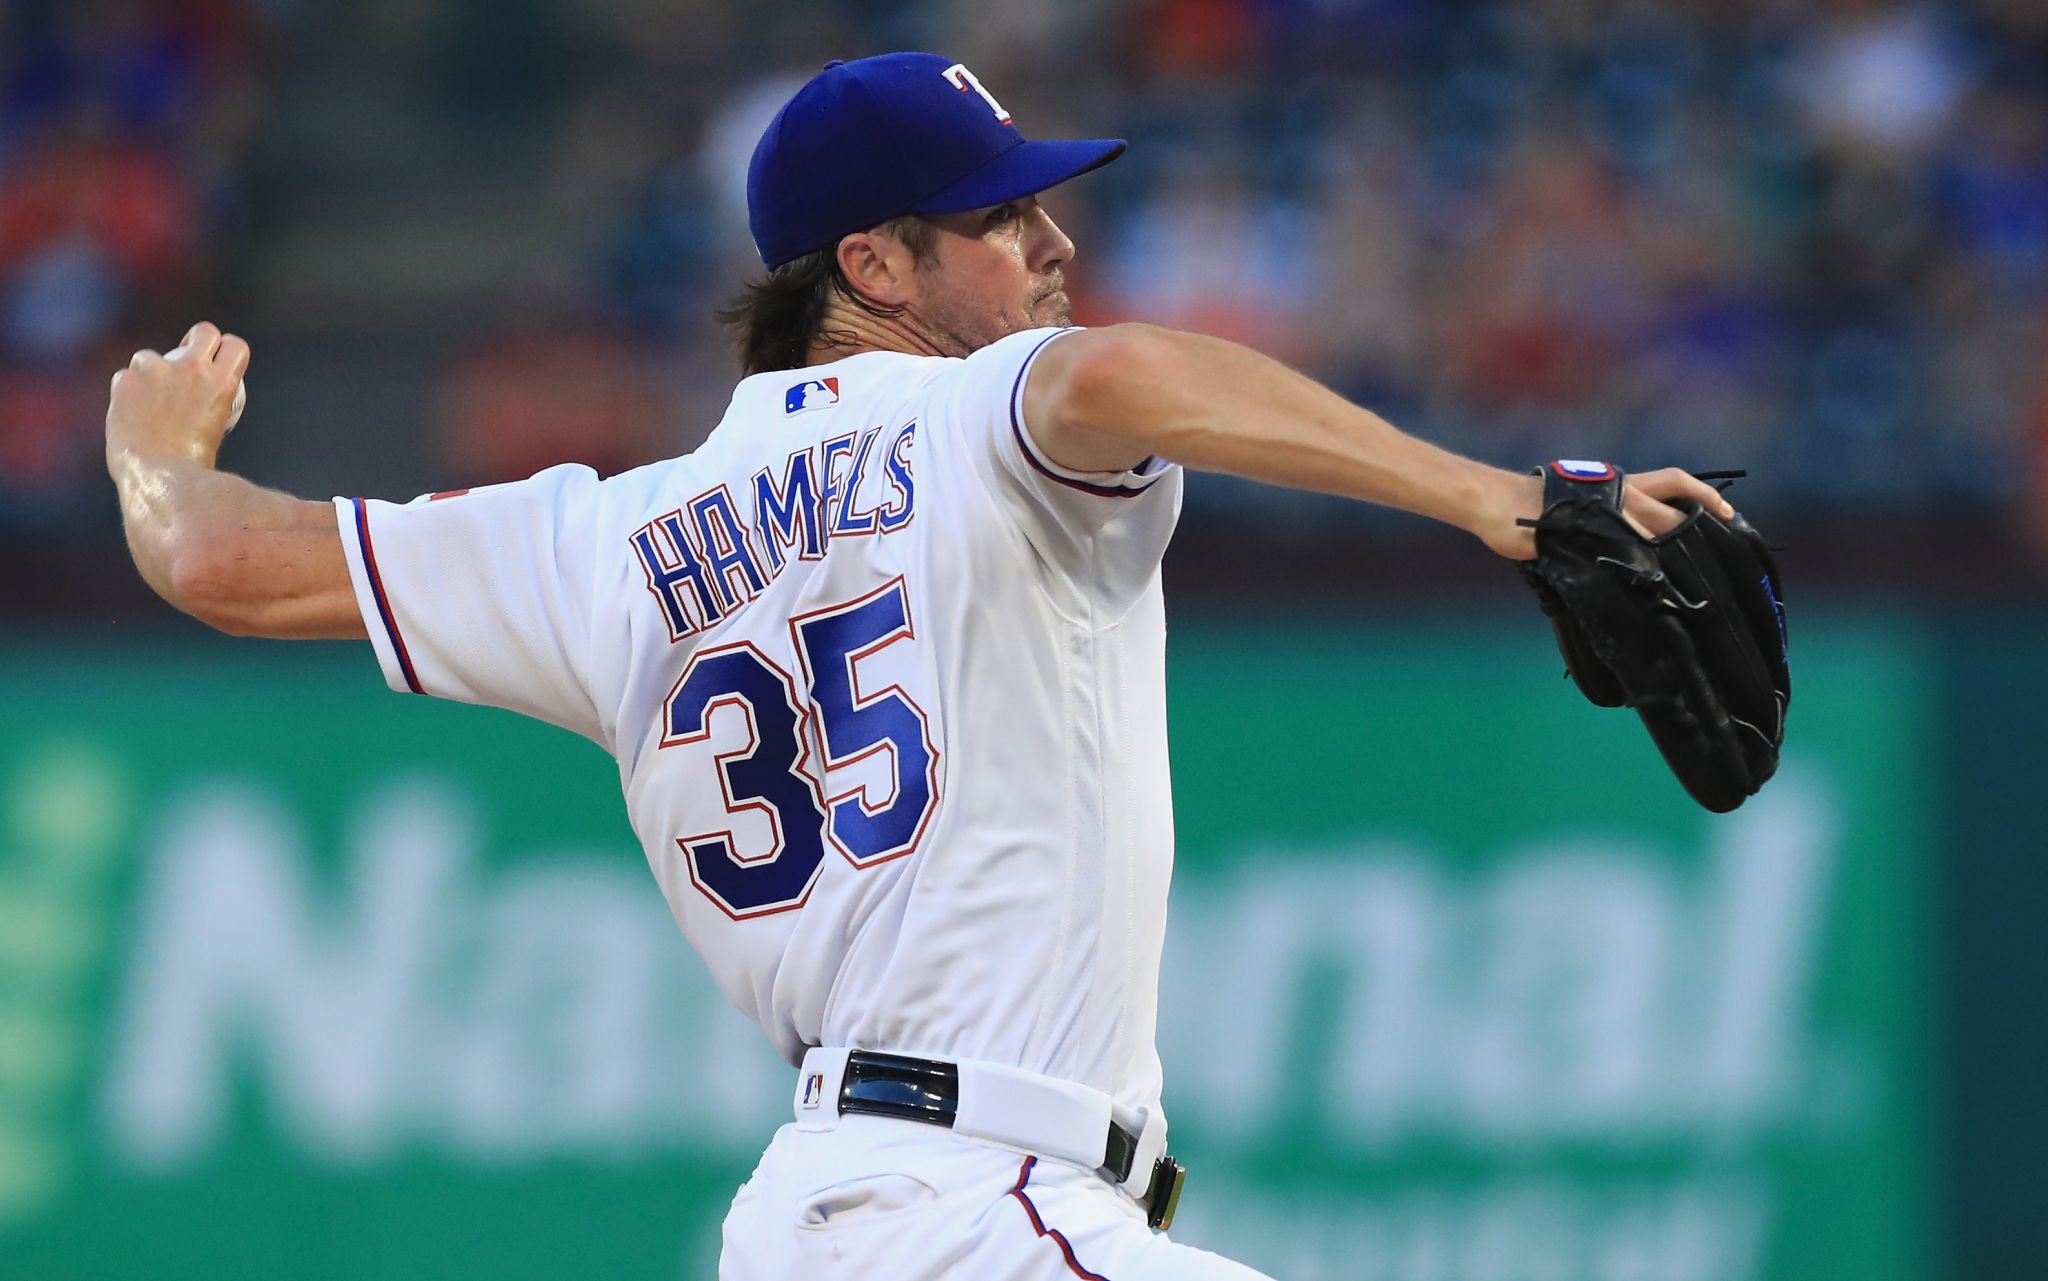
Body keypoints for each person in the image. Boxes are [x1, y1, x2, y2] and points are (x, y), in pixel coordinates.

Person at [104, 52, 1736, 1281]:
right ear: (871, 268)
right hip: (986, 1207)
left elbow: (226, 564)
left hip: (818, 1213)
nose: (1052, 242)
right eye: (1000, 216)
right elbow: (1120, 374)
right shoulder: (980, 420)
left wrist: (156, 456)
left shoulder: (602, 538)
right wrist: (1502, 498)